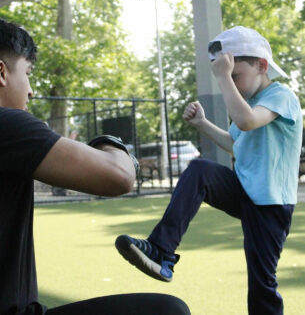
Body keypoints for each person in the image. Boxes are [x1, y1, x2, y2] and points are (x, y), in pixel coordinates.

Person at [0, 19, 191, 315]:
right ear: (1, 72)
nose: (31, 91)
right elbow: (119, 176)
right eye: (27, 74)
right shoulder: (8, 125)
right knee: (168, 311)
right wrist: (112, 143)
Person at [115, 26, 303, 315]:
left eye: (235, 75)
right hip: (244, 190)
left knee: (261, 282)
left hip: (270, 205)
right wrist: (203, 124)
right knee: (200, 170)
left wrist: (221, 76)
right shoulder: (249, 102)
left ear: (262, 65)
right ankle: (161, 251)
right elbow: (235, 143)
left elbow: (247, 122)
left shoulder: (282, 96)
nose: (230, 83)